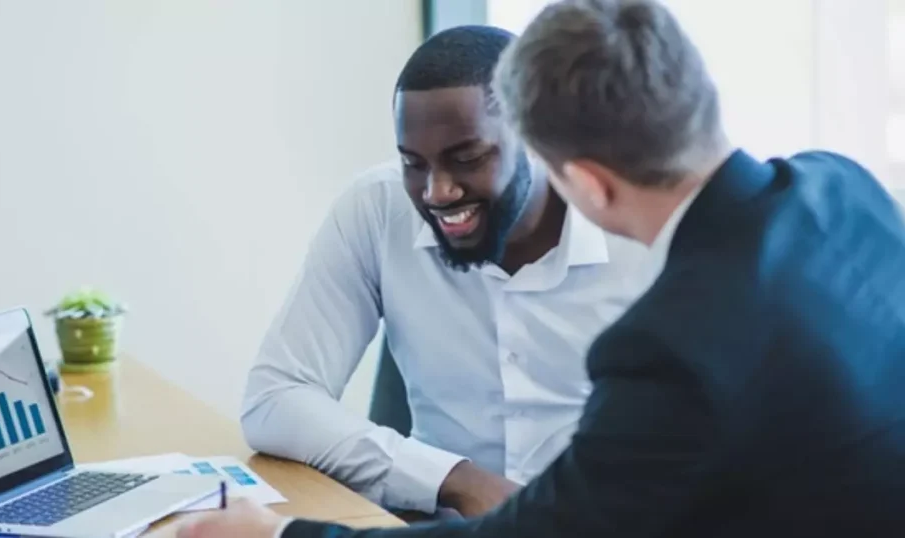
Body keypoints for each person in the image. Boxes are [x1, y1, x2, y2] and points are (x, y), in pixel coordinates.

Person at [180, 0, 905, 536]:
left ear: (582, 185)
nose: (437, 191)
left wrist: (278, 535)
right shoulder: (845, 186)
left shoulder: (676, 343)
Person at [240, 24, 648, 519]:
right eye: (413, 163)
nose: (436, 192)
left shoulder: (645, 236)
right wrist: (456, 481)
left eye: (468, 158)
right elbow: (275, 399)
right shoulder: (377, 210)